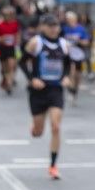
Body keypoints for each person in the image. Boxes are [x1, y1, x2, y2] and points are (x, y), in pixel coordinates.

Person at [22, 14, 71, 180]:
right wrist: (32, 79)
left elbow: (68, 63)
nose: (53, 29)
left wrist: (66, 77)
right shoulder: (36, 43)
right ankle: (35, 127)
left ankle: (53, 166)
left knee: (56, 127)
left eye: (56, 25)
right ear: (43, 27)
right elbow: (22, 61)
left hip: (55, 89)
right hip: (38, 91)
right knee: (38, 132)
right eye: (50, 26)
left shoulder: (64, 44)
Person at [61, 10, 92, 100]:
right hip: (68, 54)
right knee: (72, 70)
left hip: (78, 53)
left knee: (77, 75)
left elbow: (86, 42)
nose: (68, 21)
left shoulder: (81, 29)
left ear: (74, 19)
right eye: (67, 19)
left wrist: (78, 41)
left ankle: (75, 89)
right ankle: (71, 89)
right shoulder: (65, 29)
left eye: (70, 19)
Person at [0, 6, 22, 95]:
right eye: (6, 15)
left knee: (11, 65)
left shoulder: (15, 24)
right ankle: (5, 79)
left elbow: (18, 33)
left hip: (12, 48)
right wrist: (0, 38)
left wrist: (17, 40)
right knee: (3, 68)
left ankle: (9, 84)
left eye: (9, 14)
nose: (8, 16)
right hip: (2, 48)